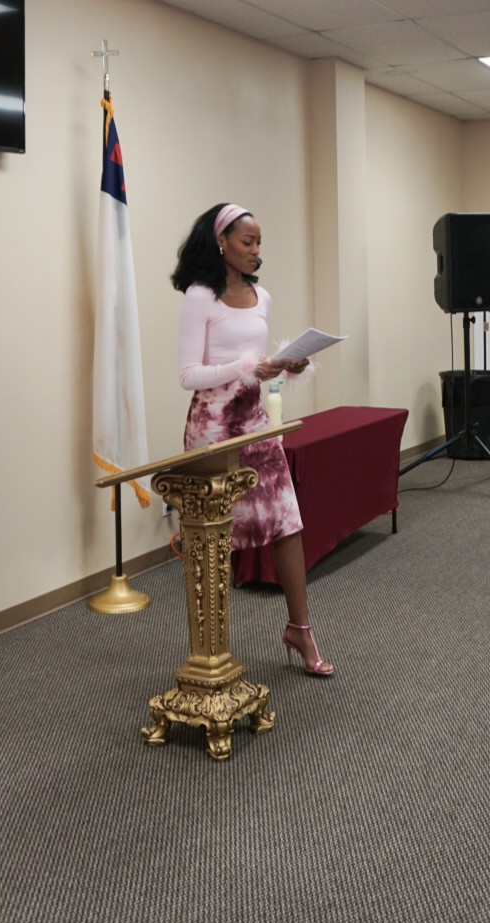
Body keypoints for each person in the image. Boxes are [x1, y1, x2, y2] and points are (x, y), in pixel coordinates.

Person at [171, 202, 334, 677]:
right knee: (219, 537)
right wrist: (243, 367)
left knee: (287, 523)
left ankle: (300, 629)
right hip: (214, 429)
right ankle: (213, 651)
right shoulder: (200, 296)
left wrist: (288, 363)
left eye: (260, 242)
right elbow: (187, 375)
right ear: (221, 242)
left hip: (257, 422)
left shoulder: (261, 298)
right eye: (248, 241)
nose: (256, 250)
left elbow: (258, 364)